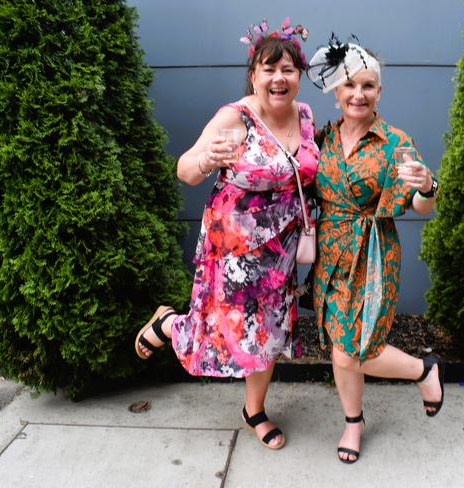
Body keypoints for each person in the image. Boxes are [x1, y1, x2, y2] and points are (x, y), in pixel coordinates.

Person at [134, 18, 318, 451]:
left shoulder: (305, 115)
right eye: (269, 69)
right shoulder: (234, 118)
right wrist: (205, 160)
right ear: (253, 74)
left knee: (269, 333)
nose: (279, 78)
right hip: (233, 253)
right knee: (217, 332)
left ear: (299, 76)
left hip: (282, 252)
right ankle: (166, 323)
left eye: (288, 69)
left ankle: (254, 410)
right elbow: (184, 169)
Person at [307, 36, 444, 464]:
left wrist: (428, 185)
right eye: (349, 86)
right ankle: (353, 421)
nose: (358, 94)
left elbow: (421, 206)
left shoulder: (394, 142)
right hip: (329, 255)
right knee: (338, 347)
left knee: (357, 348)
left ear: (378, 92)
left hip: (372, 256)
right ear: (336, 92)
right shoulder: (321, 139)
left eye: (368, 86)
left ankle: (424, 369)